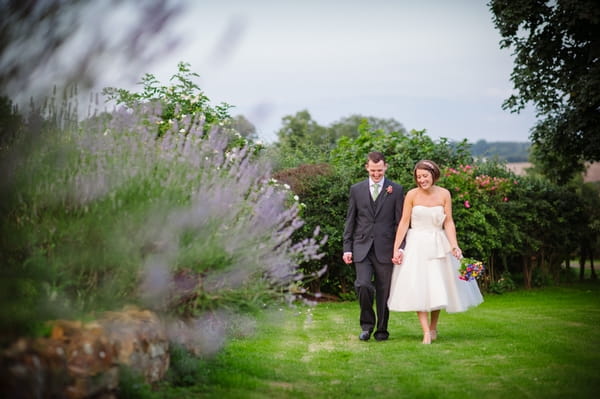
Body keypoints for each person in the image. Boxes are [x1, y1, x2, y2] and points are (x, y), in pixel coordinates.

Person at [388, 160, 483, 344]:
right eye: (418, 177)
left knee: (437, 287)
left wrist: (454, 245)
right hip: (417, 245)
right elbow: (404, 222)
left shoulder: (444, 194)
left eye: (425, 176)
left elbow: (448, 222)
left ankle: (433, 328)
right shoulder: (412, 195)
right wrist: (397, 249)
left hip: (439, 244)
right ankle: (425, 332)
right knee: (418, 287)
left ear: (434, 175)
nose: (422, 180)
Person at [343, 151, 405, 341]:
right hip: (361, 247)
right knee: (362, 285)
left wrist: (400, 247)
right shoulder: (356, 189)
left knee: (384, 290)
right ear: (367, 168)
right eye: (373, 171)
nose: (376, 174)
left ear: (385, 167)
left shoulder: (396, 190)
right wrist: (347, 247)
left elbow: (400, 222)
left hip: (386, 249)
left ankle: (382, 330)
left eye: (379, 170)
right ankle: (366, 326)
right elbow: (350, 220)